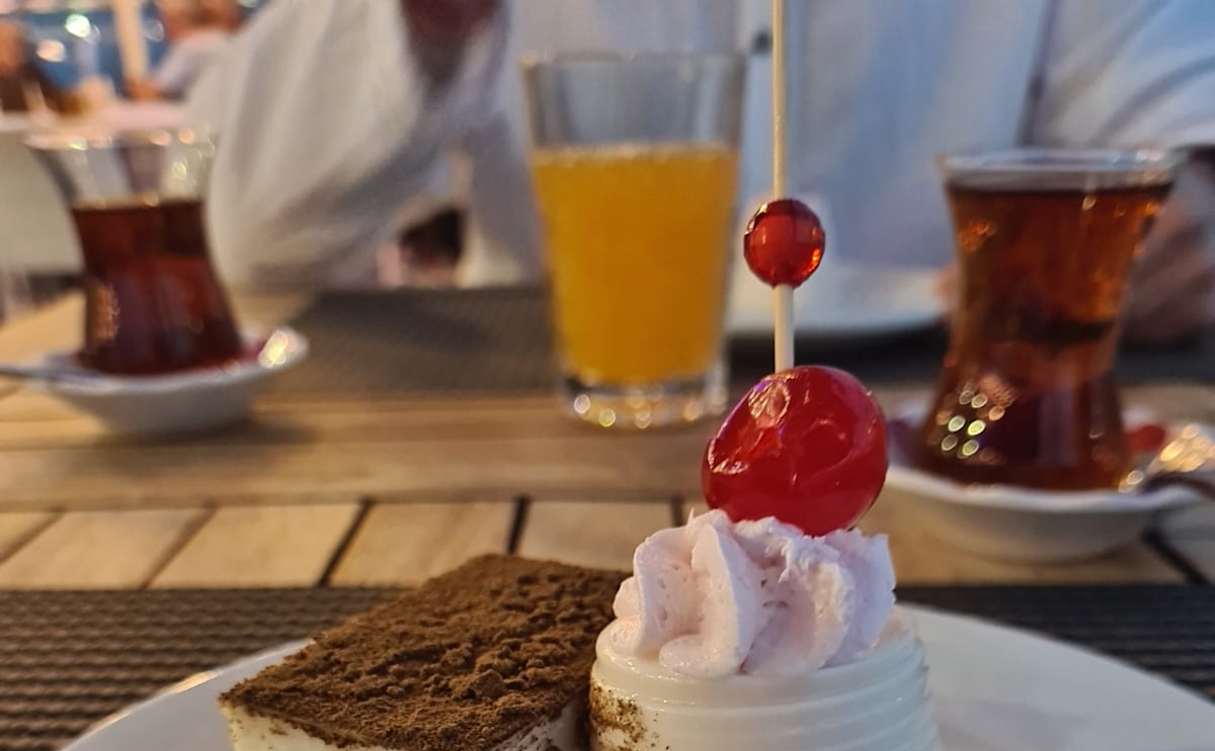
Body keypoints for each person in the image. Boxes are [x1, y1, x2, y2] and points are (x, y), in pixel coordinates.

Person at [190, 0, 1215, 341]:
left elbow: (1182, 120)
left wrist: (1187, 217)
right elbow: (249, 238)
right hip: (539, 403)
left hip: (941, 395)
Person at [133, 0, 242, 101]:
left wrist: (135, 86)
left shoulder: (190, 46)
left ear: (179, 20)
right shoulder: (226, 40)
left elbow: (155, 90)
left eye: (165, 21)